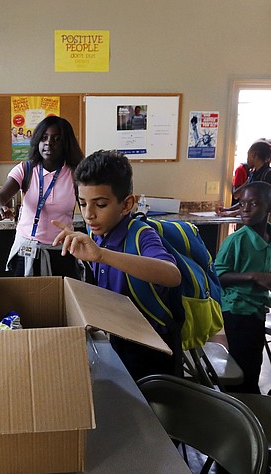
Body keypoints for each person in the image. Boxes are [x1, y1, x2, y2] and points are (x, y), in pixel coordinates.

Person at [52, 150, 182, 380]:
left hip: (153, 347)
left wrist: (102, 255)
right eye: (82, 204)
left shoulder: (142, 235)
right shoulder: (97, 233)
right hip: (119, 339)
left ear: (126, 204)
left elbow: (172, 275)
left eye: (100, 204)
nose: (89, 215)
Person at [0, 116, 84, 278]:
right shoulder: (25, 169)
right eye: (44, 138)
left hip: (61, 250)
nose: (49, 143)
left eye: (57, 139)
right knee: (24, 300)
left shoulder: (76, 174)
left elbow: (88, 206)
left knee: (60, 300)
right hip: (27, 249)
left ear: (66, 144)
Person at [215, 182, 271, 394]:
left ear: (269, 207)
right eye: (242, 203)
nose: (245, 209)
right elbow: (217, 275)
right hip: (236, 308)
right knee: (244, 361)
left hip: (257, 308)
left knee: (253, 360)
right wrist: (253, 277)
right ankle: (242, 402)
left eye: (253, 204)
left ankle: (245, 398)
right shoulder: (236, 240)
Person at [216, 139, 271, 218]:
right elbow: (246, 201)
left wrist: (233, 213)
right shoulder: (254, 174)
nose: (247, 159)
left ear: (253, 154)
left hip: (264, 221)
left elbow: (260, 204)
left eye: (248, 155)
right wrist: (227, 209)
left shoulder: (269, 175)